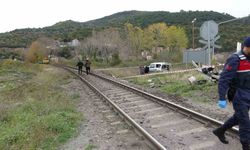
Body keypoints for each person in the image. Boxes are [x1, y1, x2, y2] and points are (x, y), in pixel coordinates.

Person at [213, 37, 250, 150]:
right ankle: (245, 146)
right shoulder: (235, 59)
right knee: (245, 123)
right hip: (238, 94)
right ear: (247, 47)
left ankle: (220, 130)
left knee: (238, 117)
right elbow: (224, 80)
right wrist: (221, 97)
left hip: (248, 92)